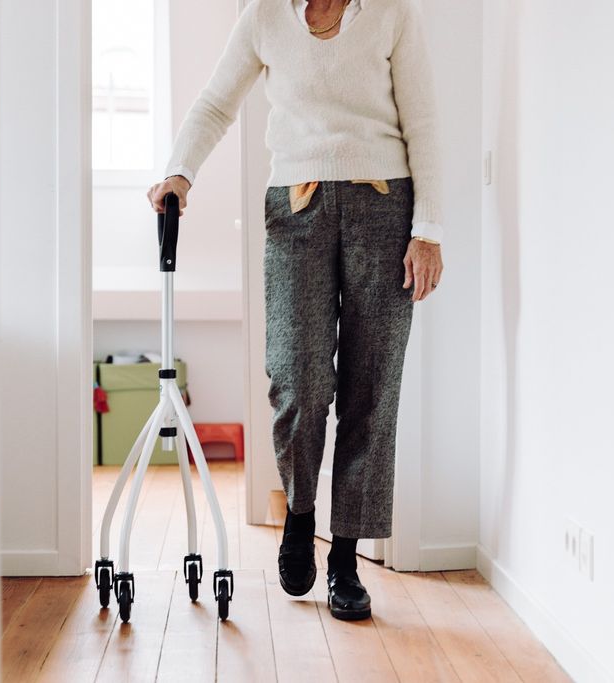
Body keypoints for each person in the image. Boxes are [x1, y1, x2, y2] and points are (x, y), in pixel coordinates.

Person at [146, 0, 444, 621]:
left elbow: (423, 123)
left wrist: (428, 231)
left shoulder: (391, 12)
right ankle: (300, 514)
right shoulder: (265, 15)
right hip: (294, 210)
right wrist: (180, 172)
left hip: (384, 208)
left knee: (371, 386)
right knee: (296, 377)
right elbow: (215, 102)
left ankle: (346, 558)